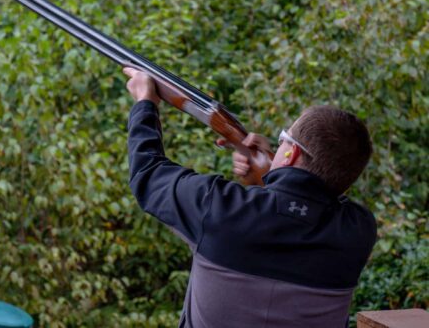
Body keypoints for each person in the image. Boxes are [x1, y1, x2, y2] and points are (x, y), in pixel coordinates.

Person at [122, 67, 377, 328]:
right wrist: (265, 178)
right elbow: (298, 214)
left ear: (290, 155)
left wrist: (145, 102)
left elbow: (148, 174)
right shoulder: (358, 232)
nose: (278, 147)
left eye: (283, 140)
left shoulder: (217, 207)